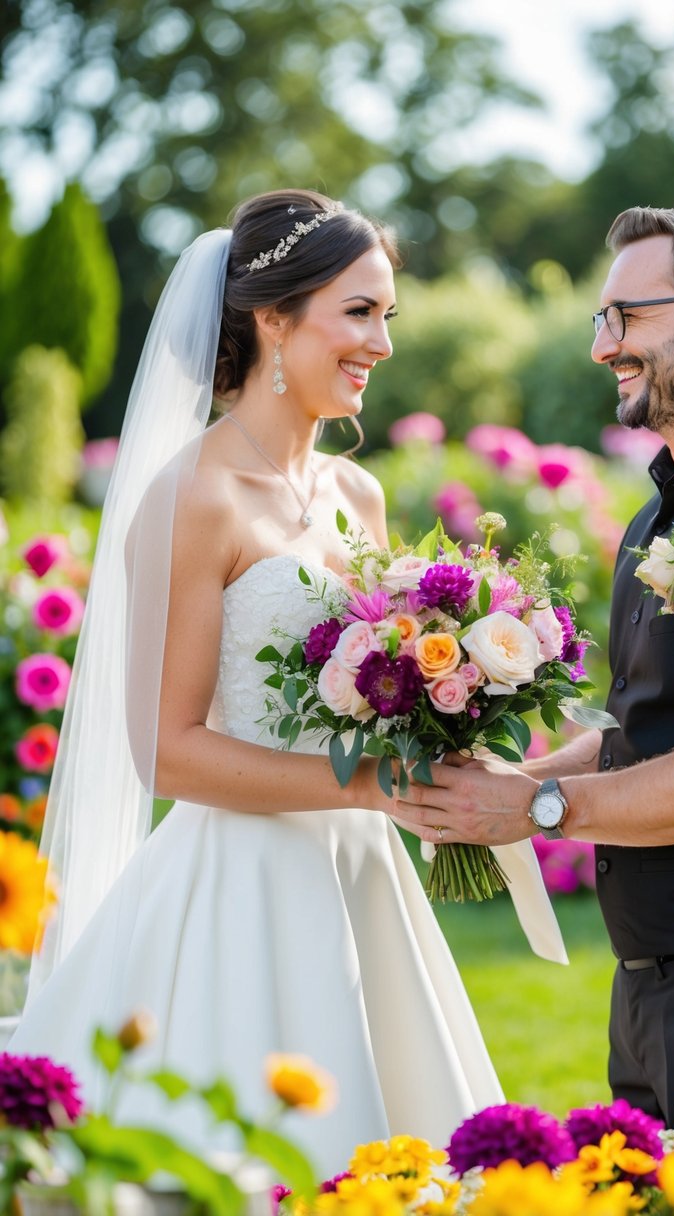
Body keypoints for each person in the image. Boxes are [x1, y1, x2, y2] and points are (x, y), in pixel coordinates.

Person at [9, 189, 565, 1174]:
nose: (381, 343)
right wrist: (364, 785)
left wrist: (449, 716)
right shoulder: (196, 495)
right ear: (271, 318)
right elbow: (166, 750)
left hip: (362, 871)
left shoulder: (359, 491)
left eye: (386, 315)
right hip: (243, 882)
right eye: (359, 312)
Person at [394, 201, 674, 1128]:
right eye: (603, 320)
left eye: (624, 317)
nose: (602, 346)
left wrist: (539, 810)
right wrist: (502, 790)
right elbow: (646, 735)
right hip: (652, 998)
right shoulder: (660, 513)